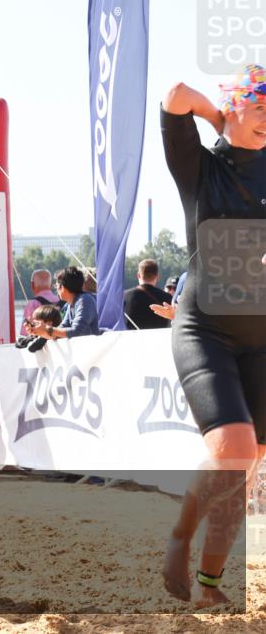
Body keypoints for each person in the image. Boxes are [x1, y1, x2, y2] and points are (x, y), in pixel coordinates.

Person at [159, 65, 266, 607]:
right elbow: (176, 95)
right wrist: (216, 116)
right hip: (206, 327)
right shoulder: (198, 164)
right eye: (261, 105)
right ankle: (179, 535)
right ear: (235, 107)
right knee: (232, 448)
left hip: (263, 337)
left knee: (246, 467)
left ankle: (208, 584)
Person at [26, 266, 100, 340]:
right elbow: (60, 330)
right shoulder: (70, 304)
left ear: (63, 287)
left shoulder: (85, 300)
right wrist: (37, 331)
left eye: (57, 286)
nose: (57, 290)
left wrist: (46, 329)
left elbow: (77, 331)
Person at [123, 259, 174, 329]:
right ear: (158, 277)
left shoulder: (124, 297)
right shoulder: (168, 298)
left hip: (132, 339)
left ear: (138, 275)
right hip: (160, 339)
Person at [19, 269, 62, 336]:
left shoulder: (33, 304)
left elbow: (25, 333)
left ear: (32, 285)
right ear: (51, 285)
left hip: (43, 344)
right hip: (62, 340)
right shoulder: (62, 300)